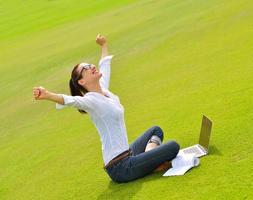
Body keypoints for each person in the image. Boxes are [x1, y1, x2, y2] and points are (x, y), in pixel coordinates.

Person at [32, 34, 180, 183]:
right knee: (173, 146)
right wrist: (47, 95)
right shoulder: (91, 101)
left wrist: (103, 45)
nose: (92, 67)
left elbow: (104, 65)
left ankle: (149, 159)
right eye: (86, 68)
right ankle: (151, 161)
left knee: (156, 130)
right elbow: (72, 101)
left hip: (128, 154)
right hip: (120, 167)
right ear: (82, 81)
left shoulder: (104, 90)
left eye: (90, 65)